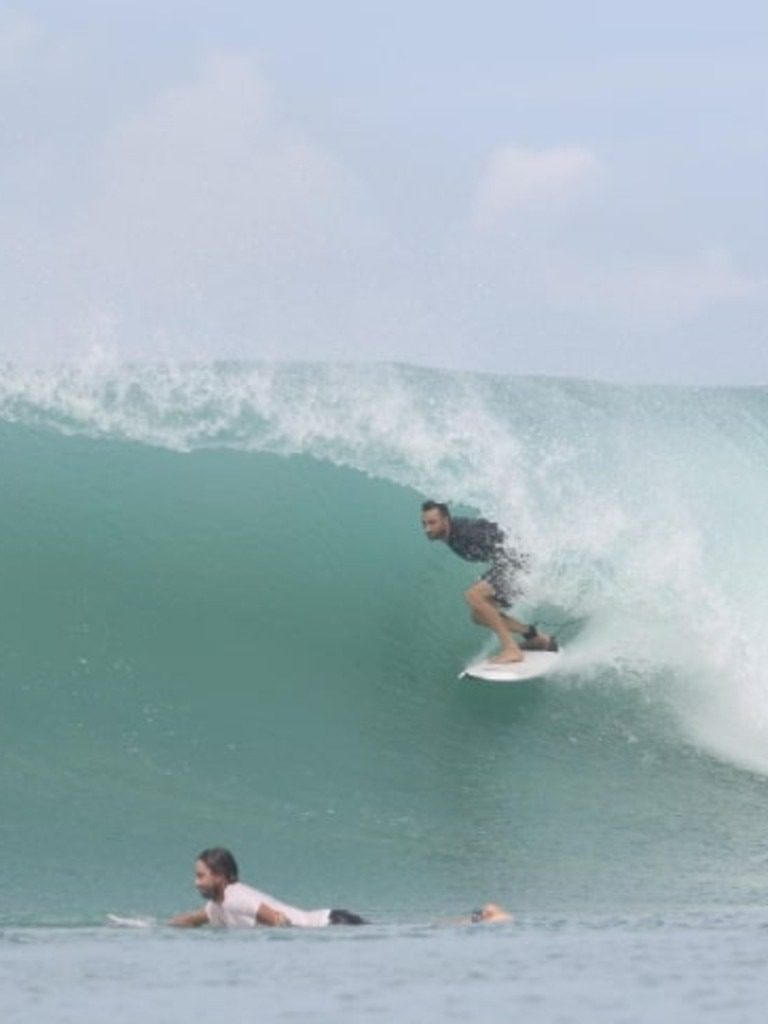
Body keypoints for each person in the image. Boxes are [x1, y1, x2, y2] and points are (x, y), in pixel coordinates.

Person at [421, 500, 555, 664]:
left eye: (432, 523)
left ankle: (511, 649)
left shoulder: (464, 532)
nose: (427, 528)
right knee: (478, 616)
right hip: (511, 564)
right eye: (424, 523)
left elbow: (505, 546)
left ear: (446, 520)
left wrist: (487, 585)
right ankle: (535, 637)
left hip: (518, 563)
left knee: (473, 595)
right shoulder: (452, 534)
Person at [169, 847, 366, 928]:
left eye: (201, 876)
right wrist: (156, 929)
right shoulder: (217, 905)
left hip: (332, 924)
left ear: (220, 877)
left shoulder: (235, 898)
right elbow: (193, 919)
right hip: (331, 923)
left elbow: (279, 922)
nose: (196, 882)